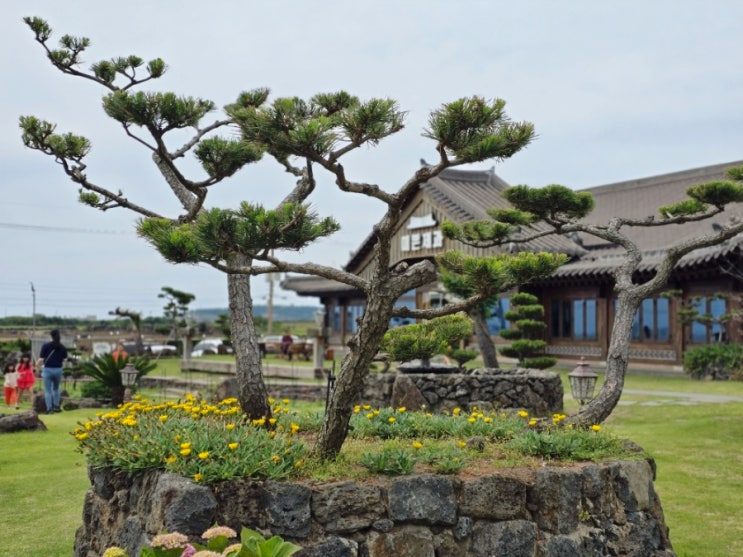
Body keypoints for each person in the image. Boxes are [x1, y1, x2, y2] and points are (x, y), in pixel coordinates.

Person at [39, 329, 68, 414]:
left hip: (48, 369)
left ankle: (49, 409)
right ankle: (56, 407)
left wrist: (37, 365)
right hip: (58, 370)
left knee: (48, 391)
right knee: (56, 389)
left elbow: (41, 358)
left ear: (50, 336)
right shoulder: (62, 347)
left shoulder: (45, 346)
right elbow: (65, 358)